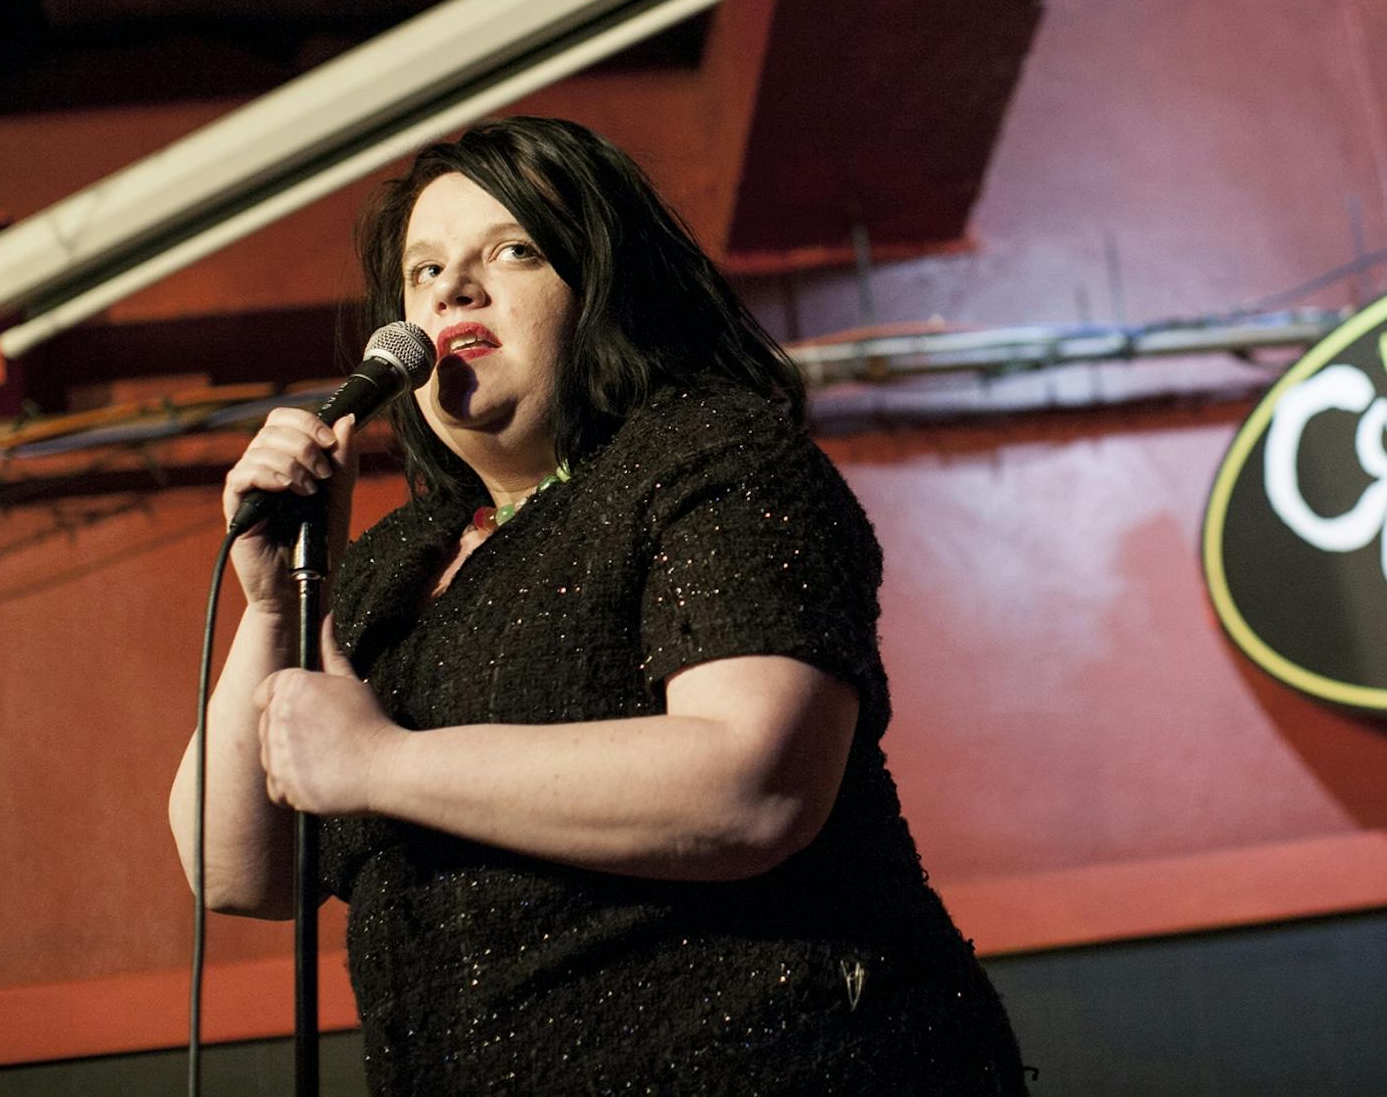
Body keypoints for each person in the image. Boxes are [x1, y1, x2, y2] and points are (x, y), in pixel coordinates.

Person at [166, 117, 1030, 1094]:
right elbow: (239, 870)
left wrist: (381, 761)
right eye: (424, 270)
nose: (452, 286)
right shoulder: (384, 568)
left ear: (604, 282)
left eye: (514, 248)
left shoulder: (711, 455)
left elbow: (755, 782)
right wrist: (274, 603)